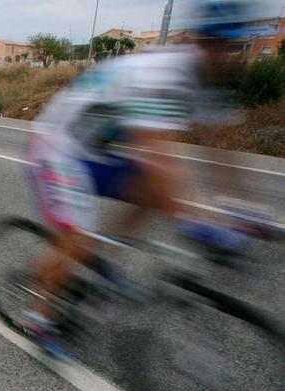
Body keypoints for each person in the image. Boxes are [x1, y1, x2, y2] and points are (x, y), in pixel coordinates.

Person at [21, 0, 265, 350]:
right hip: (57, 148)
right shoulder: (159, 76)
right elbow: (158, 155)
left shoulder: (204, 82)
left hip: (95, 151)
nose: (224, 56)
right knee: (77, 238)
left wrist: (253, 212)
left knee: (151, 193)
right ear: (199, 43)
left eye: (231, 48)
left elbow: (221, 153)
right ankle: (38, 318)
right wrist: (197, 220)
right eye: (216, 46)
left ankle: (98, 254)